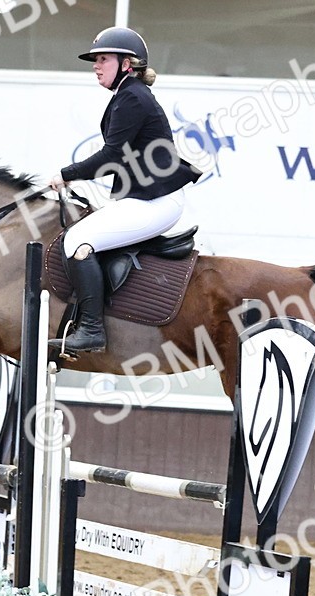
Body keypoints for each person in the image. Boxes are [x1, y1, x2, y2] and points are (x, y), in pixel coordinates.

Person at [48, 26, 201, 353]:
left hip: (157, 202)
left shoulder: (132, 97)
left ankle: (91, 329)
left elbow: (112, 155)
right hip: (144, 198)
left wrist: (67, 174)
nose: (95, 65)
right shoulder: (128, 95)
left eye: (103, 59)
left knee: (77, 240)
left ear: (127, 64)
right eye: (95, 60)